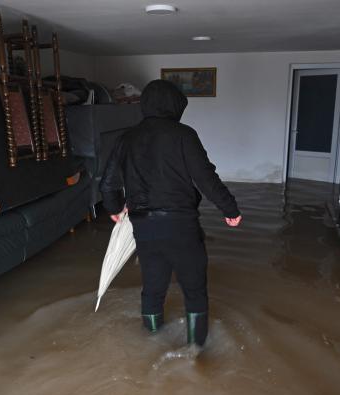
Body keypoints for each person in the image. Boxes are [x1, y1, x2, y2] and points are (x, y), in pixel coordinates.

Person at [100, 79, 241, 346]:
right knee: (195, 290)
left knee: (152, 288)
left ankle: (152, 342)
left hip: (144, 227)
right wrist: (229, 209)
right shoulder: (184, 134)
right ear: (175, 106)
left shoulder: (126, 138)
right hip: (181, 225)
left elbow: (107, 183)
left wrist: (115, 210)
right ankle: (197, 352)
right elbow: (205, 178)